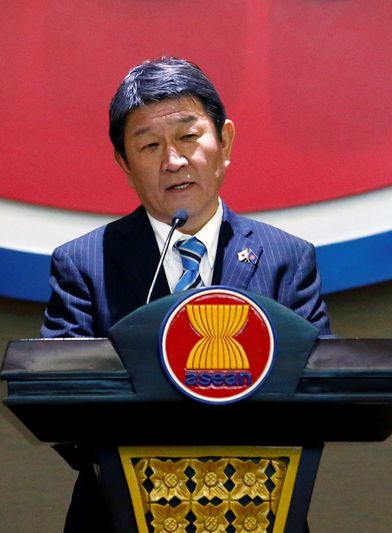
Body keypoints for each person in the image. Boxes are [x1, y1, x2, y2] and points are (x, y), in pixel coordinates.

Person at [40, 56, 330, 532]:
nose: (173, 161)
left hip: (259, 512)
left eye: (189, 137)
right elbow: (59, 402)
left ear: (225, 141)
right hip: (118, 515)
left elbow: (319, 390)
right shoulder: (84, 263)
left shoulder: (287, 259)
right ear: (125, 163)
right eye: (150, 145)